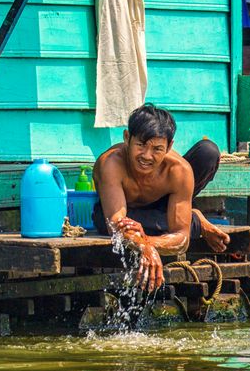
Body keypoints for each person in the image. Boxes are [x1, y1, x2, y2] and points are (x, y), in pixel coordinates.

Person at [93, 103, 230, 292]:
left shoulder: (179, 170)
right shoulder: (111, 163)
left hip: (159, 213)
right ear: (127, 138)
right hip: (124, 213)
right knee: (104, 221)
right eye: (140, 145)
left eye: (157, 149)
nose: (147, 156)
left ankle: (191, 216)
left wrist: (146, 243)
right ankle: (194, 219)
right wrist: (143, 245)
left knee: (208, 151)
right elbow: (117, 224)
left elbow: (182, 238)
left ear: (169, 147)